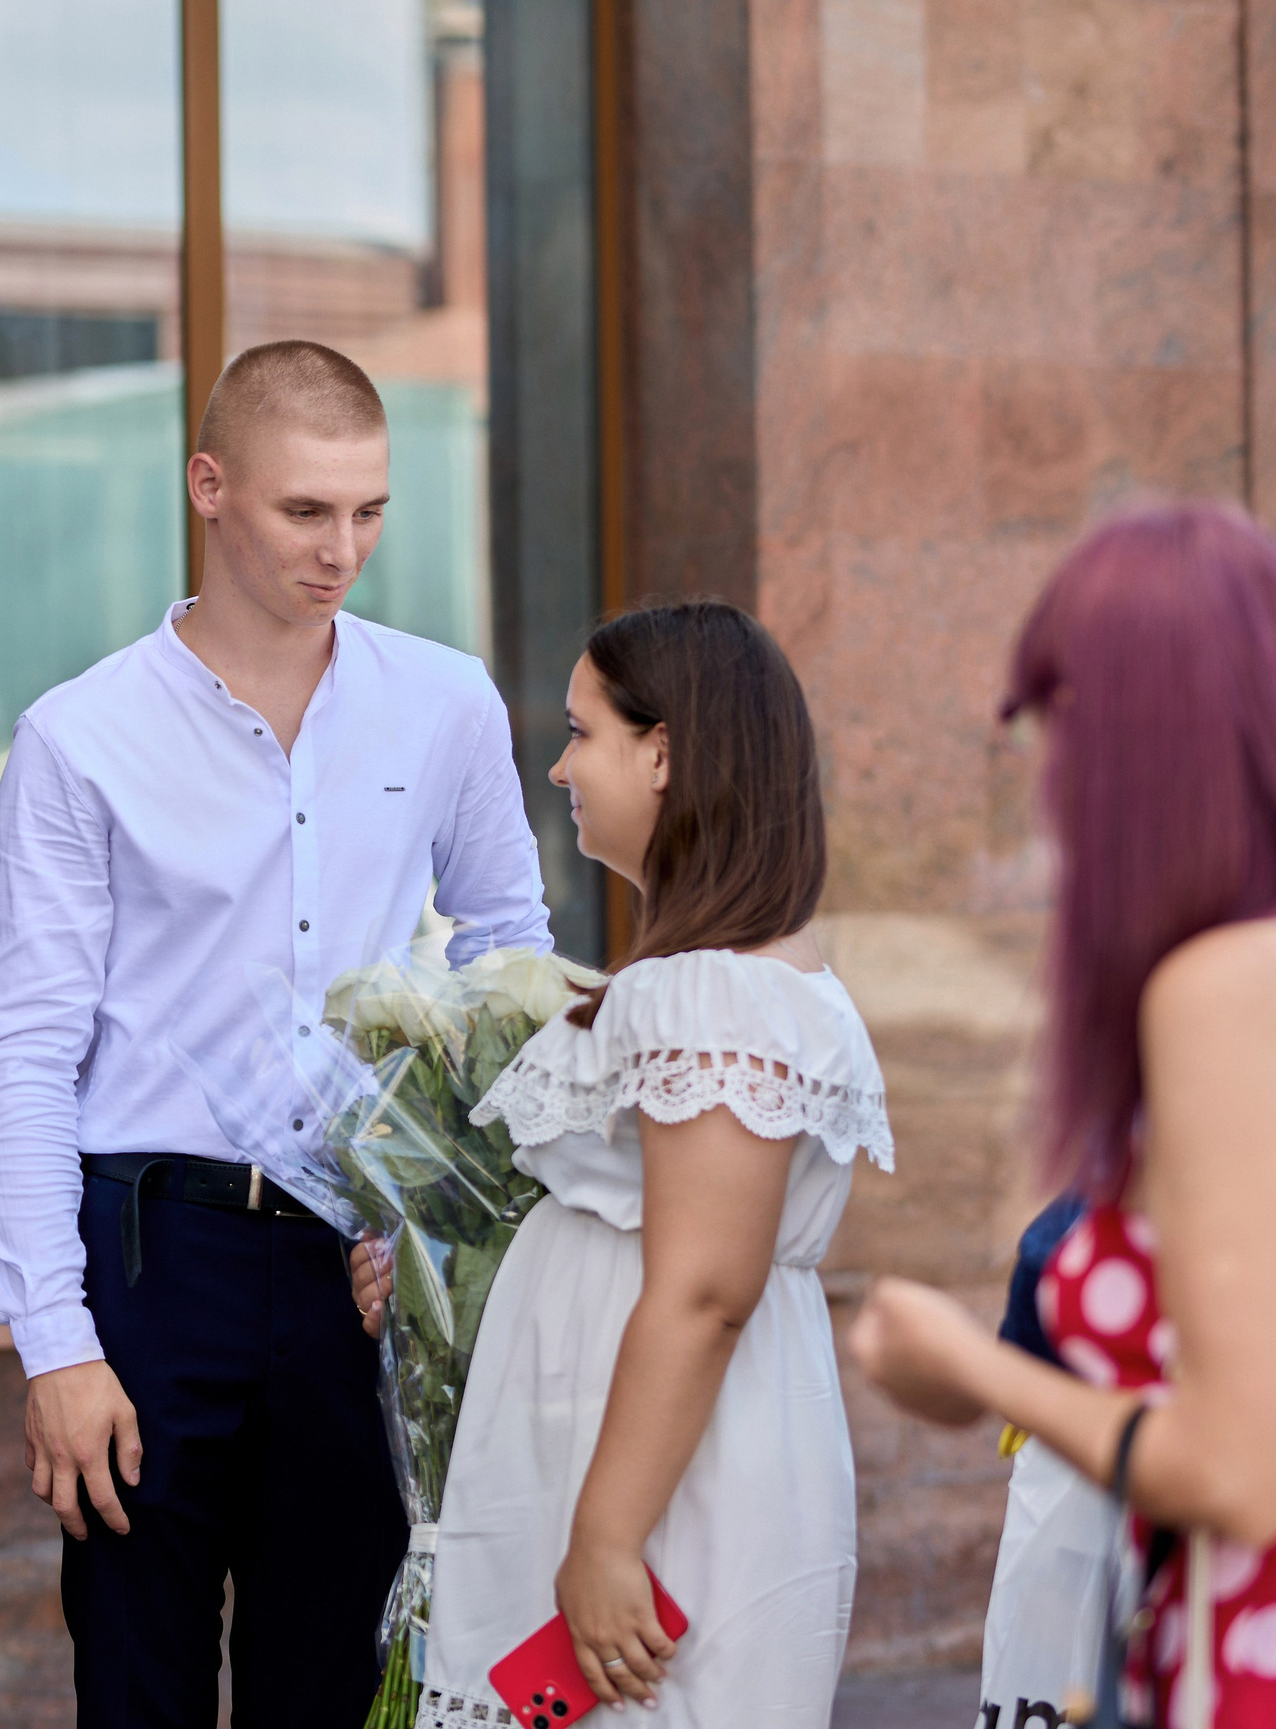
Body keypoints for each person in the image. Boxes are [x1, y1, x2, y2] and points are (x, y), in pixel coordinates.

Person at [0, 339, 554, 1726]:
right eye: (305, 511)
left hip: (358, 1268)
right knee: (139, 1691)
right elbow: (27, 1054)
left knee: (334, 1690)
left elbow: (507, 963)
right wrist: (56, 1345)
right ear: (209, 487)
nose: (341, 550)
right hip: (149, 1256)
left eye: (369, 511)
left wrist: (442, 1224)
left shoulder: (445, 702)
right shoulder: (80, 734)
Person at [854, 503, 1276, 1728]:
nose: (1044, 772)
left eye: (1059, 717)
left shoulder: (1229, 991)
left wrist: (971, 1366)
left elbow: (1237, 1471)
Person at [360, 599, 891, 1723]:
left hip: (661, 1504)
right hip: (626, 1477)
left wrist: (607, 1539)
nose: (559, 767)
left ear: (662, 754)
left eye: (580, 732)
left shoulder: (718, 996)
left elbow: (703, 1290)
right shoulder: (703, 981)